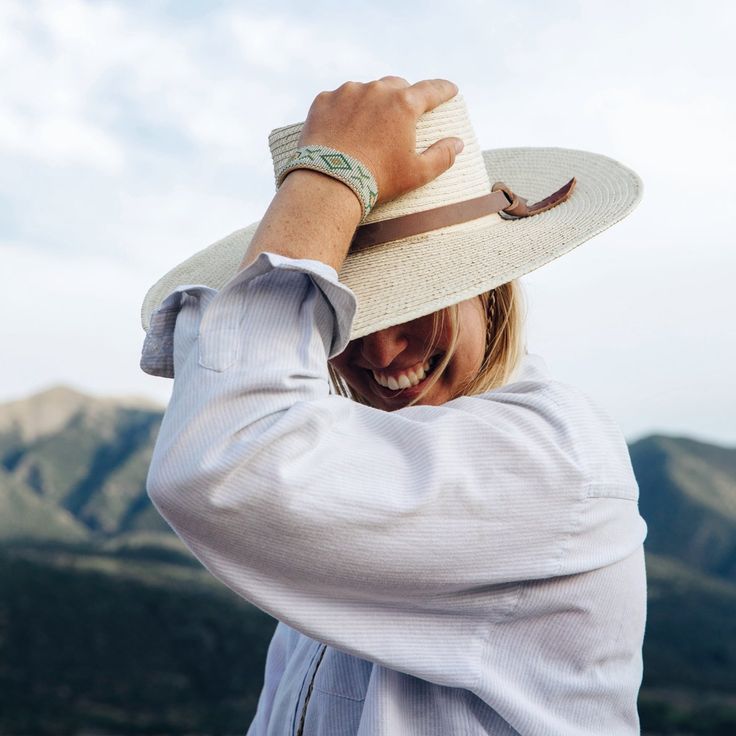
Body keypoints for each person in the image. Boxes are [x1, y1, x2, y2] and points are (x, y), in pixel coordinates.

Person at [139, 77, 647, 736]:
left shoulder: (552, 459)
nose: (379, 350)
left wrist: (328, 180)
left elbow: (223, 462)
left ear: (489, 290)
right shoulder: (367, 469)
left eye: (417, 303)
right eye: (343, 315)